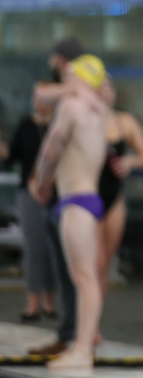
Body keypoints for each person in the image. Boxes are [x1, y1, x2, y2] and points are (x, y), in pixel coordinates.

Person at [29, 55, 112, 373]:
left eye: (68, 76)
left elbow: (52, 146)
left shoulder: (72, 108)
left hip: (75, 201)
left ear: (78, 78)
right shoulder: (98, 109)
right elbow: (45, 94)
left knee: (84, 278)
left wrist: (42, 180)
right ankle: (81, 346)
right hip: (88, 199)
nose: (63, 82)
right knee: (85, 278)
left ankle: (81, 350)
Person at [7, 91, 59, 321]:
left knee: (53, 248)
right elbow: (12, 158)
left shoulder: (60, 125)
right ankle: (33, 302)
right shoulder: (26, 126)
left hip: (57, 192)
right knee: (33, 247)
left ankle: (50, 300)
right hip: (30, 191)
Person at [96, 103, 143, 293]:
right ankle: (82, 313)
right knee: (97, 260)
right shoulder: (79, 117)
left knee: (105, 262)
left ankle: (94, 314)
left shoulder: (124, 121)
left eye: (108, 87)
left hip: (113, 194)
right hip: (88, 193)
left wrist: (129, 161)